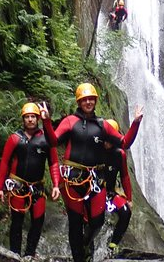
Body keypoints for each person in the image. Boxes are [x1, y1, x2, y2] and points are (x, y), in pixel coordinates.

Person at [42, 83, 143, 262]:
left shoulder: (103, 125)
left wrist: (135, 123)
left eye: (91, 99)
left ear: (95, 101)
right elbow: (53, 141)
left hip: (95, 179)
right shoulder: (70, 121)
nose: (88, 102)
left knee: (97, 221)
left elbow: (124, 142)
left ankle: (86, 243)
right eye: (84, 99)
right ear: (79, 102)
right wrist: (47, 121)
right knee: (75, 222)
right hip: (72, 178)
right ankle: (79, 258)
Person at [0, 102, 61, 257]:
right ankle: (14, 255)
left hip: (37, 187)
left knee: (37, 222)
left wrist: (56, 185)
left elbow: (54, 163)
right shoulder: (14, 139)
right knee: (17, 221)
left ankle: (30, 255)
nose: (30, 120)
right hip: (17, 185)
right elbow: (5, 162)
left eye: (33, 117)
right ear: (23, 119)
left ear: (37, 118)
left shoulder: (46, 140)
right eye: (27, 117)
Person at [103, 119, 133, 257]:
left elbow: (125, 176)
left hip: (109, 193)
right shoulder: (95, 150)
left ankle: (113, 244)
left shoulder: (119, 154)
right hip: (92, 192)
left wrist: (129, 198)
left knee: (125, 212)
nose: (107, 141)